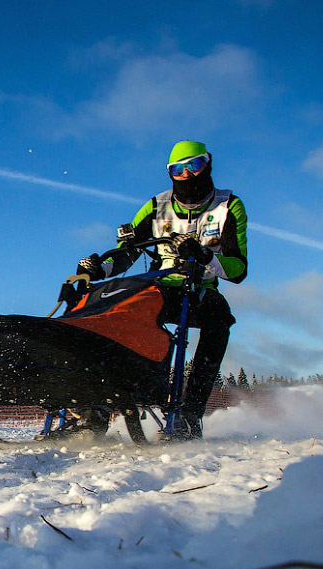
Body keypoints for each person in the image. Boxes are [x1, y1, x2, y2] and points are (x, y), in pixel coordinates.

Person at [75, 140, 248, 439]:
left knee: (219, 321)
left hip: (200, 288)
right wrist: (97, 269)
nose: (186, 175)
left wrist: (204, 255)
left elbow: (238, 269)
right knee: (113, 316)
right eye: (177, 170)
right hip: (159, 287)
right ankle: (97, 411)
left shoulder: (228, 205)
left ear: (207, 164)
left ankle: (190, 415)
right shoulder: (157, 206)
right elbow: (126, 252)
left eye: (194, 165)